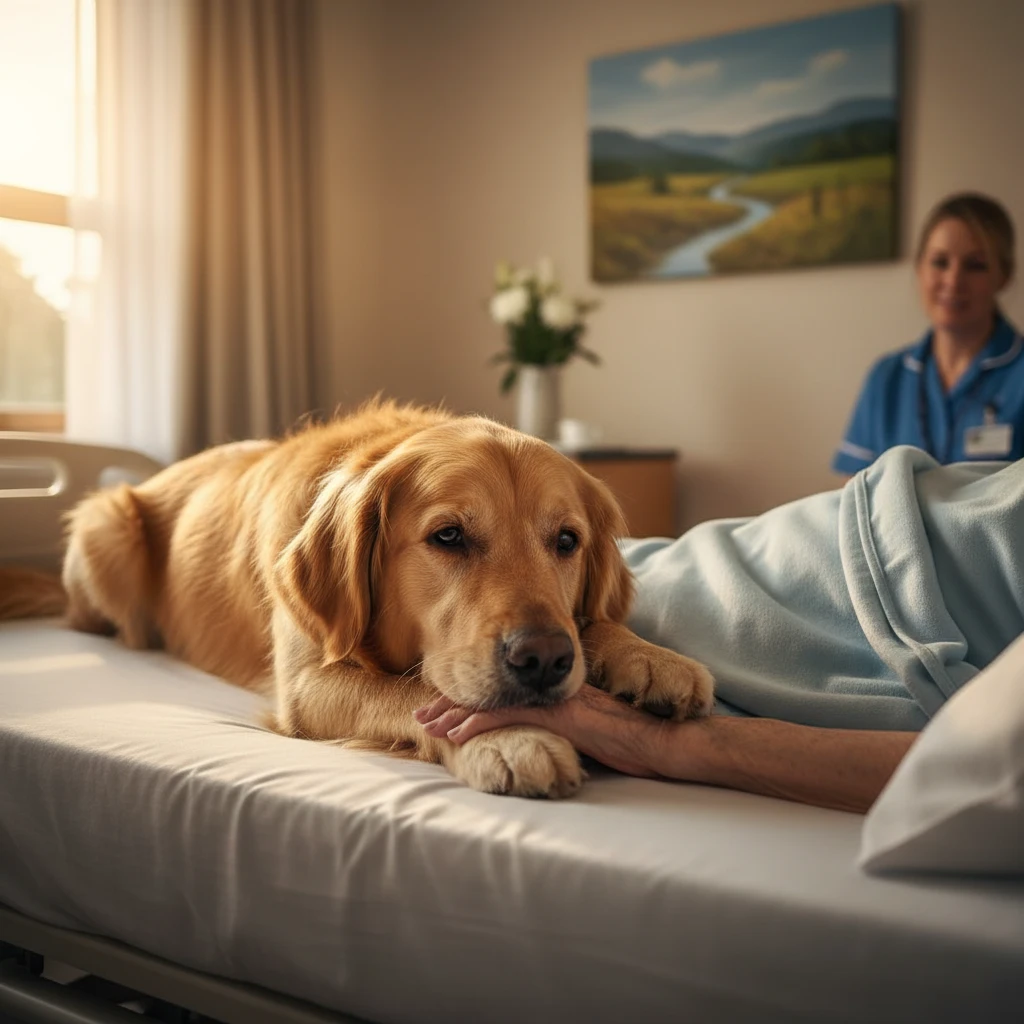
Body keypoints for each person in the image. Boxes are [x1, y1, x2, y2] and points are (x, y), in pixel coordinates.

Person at [415, 446, 1024, 814]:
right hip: (867, 522)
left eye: (564, 541)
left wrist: (653, 742)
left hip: (870, 609)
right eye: (451, 537)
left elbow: (990, 771)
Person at [833, 192, 1023, 475]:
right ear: (920, 267)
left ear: (1004, 275)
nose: (953, 281)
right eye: (940, 262)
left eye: (975, 265)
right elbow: (853, 495)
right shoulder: (887, 377)